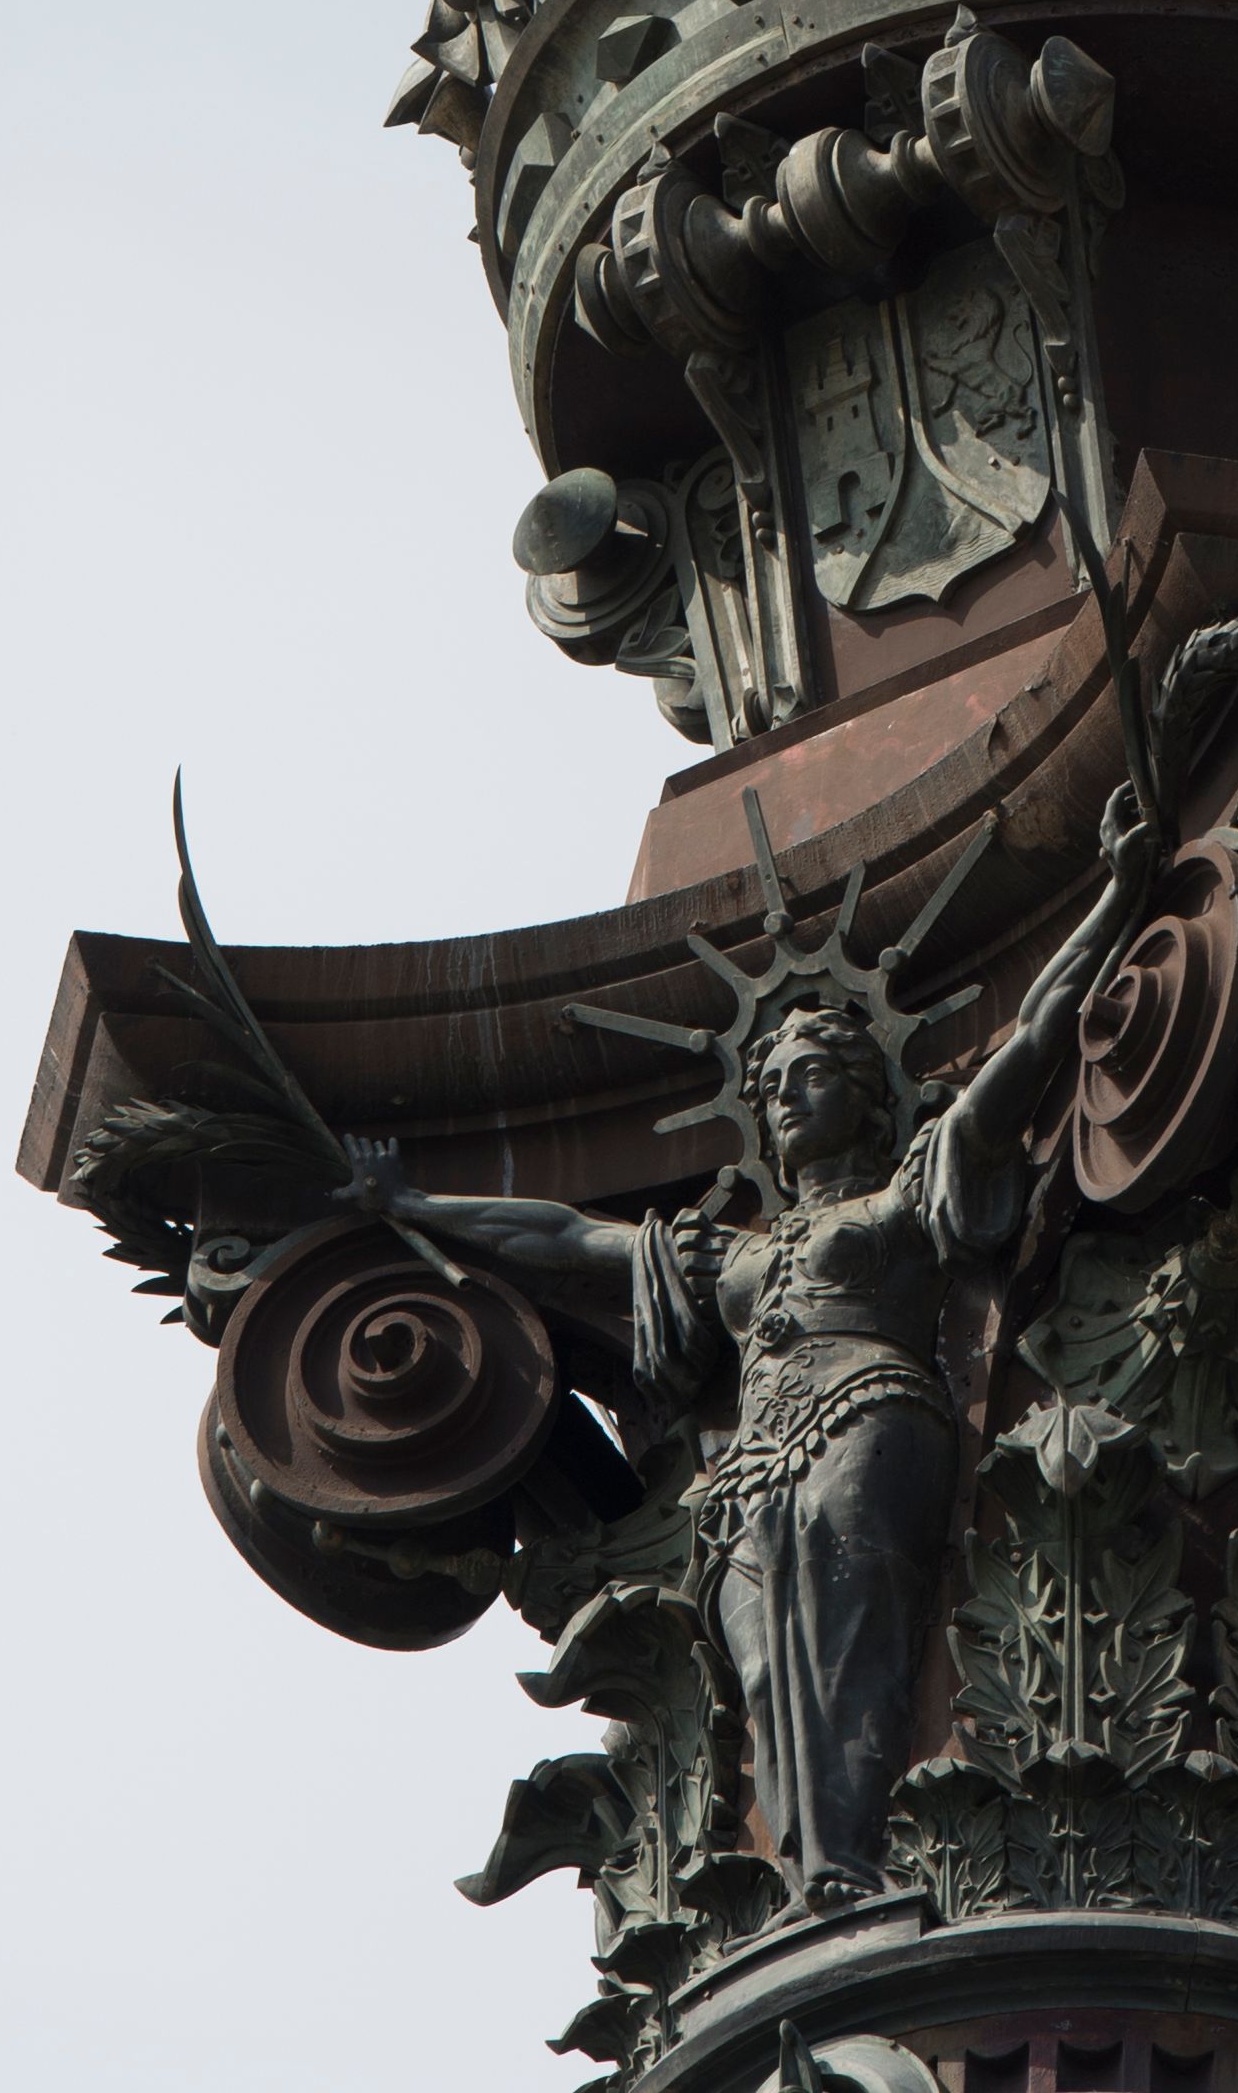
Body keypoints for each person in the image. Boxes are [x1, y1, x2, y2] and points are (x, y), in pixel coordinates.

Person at [347, 792, 1155, 1903]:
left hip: (871, 1413)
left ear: (869, 1098)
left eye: (810, 1074)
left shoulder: (905, 1195)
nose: (783, 1097)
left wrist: (1118, 888)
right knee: (770, 1673)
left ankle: (851, 1866)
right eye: (770, 1084)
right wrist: (409, 1204)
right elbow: (561, 1236)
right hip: (754, 1468)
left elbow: (1034, 1036)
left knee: (852, 1637)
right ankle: (818, 1875)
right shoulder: (730, 1251)